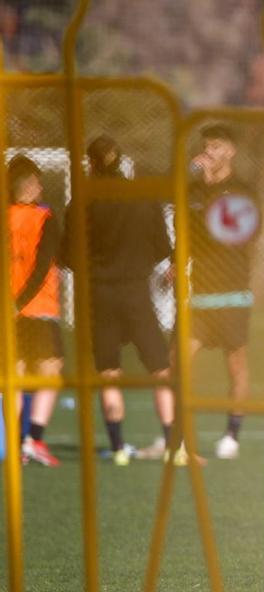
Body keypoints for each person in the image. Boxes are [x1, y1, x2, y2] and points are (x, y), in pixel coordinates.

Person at [62, 135, 176, 465]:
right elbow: (160, 247)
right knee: (159, 369)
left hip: (99, 294)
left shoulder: (82, 199)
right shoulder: (141, 196)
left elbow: (69, 255)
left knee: (109, 370)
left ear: (91, 162)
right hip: (137, 292)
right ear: (121, 158)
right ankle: (172, 444)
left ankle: (117, 448)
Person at [177, 123, 260, 461]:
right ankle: (178, 437)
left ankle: (232, 436)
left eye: (217, 147)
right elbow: (183, 229)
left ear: (231, 152)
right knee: (178, 362)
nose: (210, 152)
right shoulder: (192, 190)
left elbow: (240, 232)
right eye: (207, 146)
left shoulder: (242, 191)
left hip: (232, 293)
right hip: (199, 294)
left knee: (236, 365)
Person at [7, 155, 64, 467]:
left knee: (14, 376)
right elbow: (43, 265)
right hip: (39, 308)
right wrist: (23, 299)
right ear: (29, 185)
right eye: (38, 181)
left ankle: (17, 445)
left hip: (8, 313)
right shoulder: (45, 217)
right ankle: (35, 439)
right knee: (52, 373)